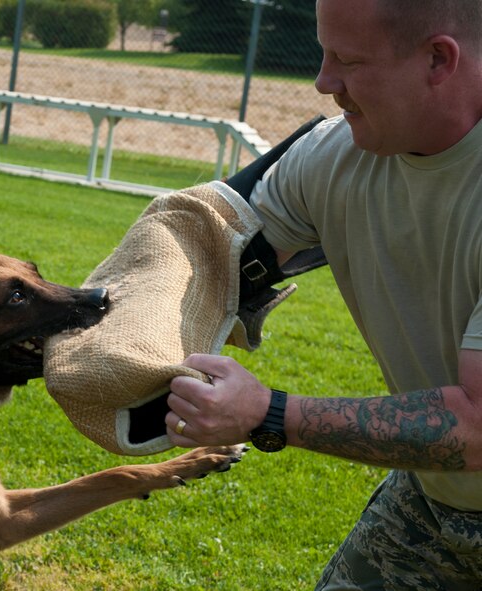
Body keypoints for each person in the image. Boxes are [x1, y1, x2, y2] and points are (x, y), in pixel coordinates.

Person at [164, 0, 482, 588]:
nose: (323, 81)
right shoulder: (336, 155)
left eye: (347, 60)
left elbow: (475, 425)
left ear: (438, 59)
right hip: (433, 504)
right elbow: (210, 248)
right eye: (323, 51)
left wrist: (269, 413)